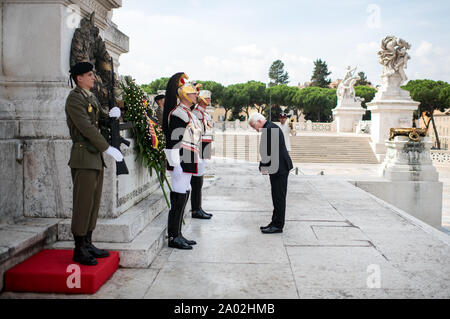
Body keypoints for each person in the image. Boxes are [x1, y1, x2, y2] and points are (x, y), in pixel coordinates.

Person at [66, 61, 124, 265]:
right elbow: (86, 128)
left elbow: (99, 122)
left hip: (94, 158)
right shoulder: (74, 99)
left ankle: (88, 242)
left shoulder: (90, 97)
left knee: (93, 204)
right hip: (84, 156)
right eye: (89, 75)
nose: (93, 78)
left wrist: (112, 117)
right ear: (79, 78)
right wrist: (106, 148)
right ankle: (79, 248)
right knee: (83, 204)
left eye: (92, 74)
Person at [163, 73, 202, 250]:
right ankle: (173, 236)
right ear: (185, 94)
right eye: (193, 93)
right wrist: (175, 164)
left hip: (188, 157)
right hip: (180, 158)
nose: (196, 96)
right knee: (178, 198)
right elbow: (173, 140)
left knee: (184, 193)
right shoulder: (179, 113)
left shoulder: (188, 113)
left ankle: (178, 233)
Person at [249, 112, 293, 234]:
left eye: (254, 126)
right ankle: (274, 222)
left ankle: (278, 225)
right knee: (276, 196)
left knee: (279, 197)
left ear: (258, 122)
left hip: (280, 168)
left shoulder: (270, 129)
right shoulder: (270, 127)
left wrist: (263, 166)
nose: (255, 130)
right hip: (277, 168)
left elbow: (268, 151)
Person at [190, 90, 214, 219]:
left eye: (209, 98)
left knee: (201, 177)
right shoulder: (196, 113)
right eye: (207, 98)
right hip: (199, 145)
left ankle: (198, 207)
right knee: (197, 179)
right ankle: (195, 209)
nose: (209, 100)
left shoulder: (204, 113)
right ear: (201, 99)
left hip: (206, 144)